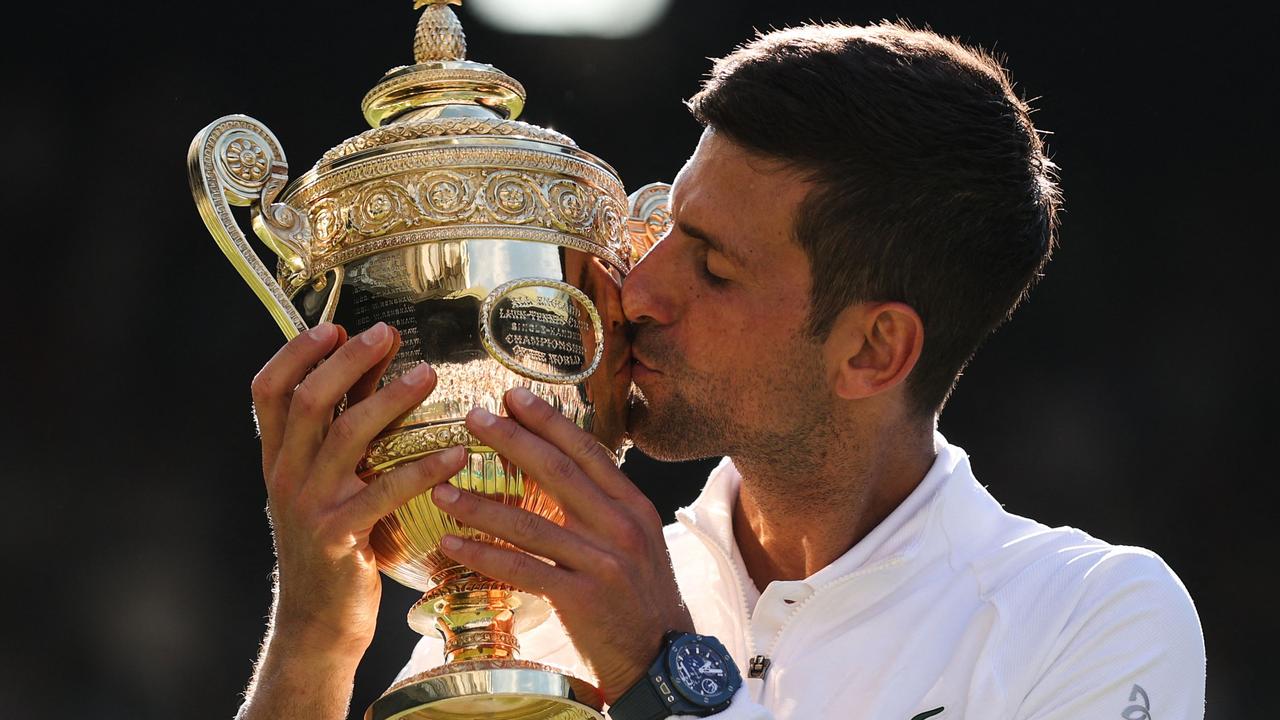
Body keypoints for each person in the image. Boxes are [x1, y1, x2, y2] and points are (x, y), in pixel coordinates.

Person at [235, 21, 1205, 720]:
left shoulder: (1090, 619)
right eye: (668, 228)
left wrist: (659, 679)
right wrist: (316, 638)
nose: (639, 287)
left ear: (872, 351)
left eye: (711, 265)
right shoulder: (536, 605)